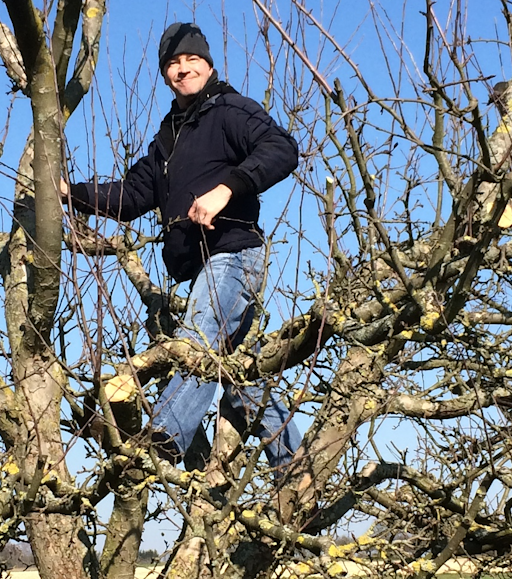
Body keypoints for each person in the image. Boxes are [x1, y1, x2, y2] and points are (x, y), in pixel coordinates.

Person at [66, 22, 301, 470]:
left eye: (192, 59)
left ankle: (164, 437)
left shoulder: (230, 109)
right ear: (164, 74)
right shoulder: (167, 138)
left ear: (208, 64)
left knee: (197, 339)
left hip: (232, 253)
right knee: (239, 376)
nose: (183, 68)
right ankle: (297, 472)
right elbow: (131, 196)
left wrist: (227, 188)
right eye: (173, 63)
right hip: (198, 269)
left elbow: (282, 148)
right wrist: (70, 192)